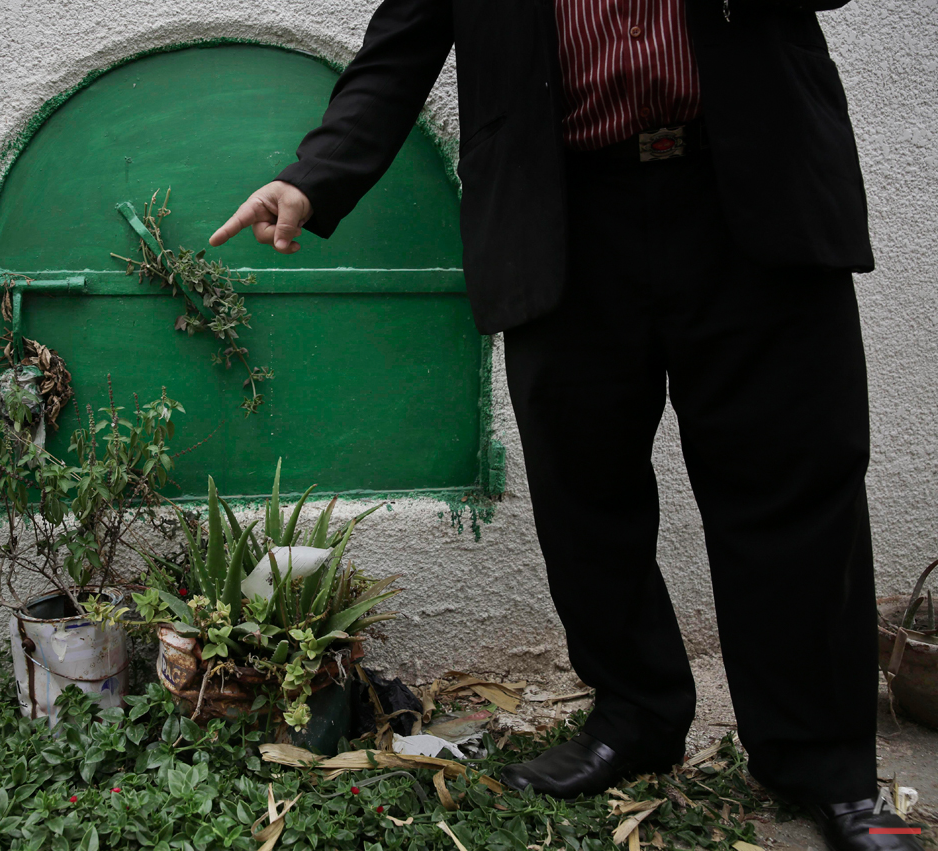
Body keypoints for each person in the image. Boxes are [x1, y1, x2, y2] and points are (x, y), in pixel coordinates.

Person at [209, 1, 917, 849]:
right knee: (586, 495)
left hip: (752, 191)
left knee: (795, 485)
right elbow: (397, 51)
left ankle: (824, 766)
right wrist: (315, 175)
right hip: (565, 215)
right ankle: (635, 720)